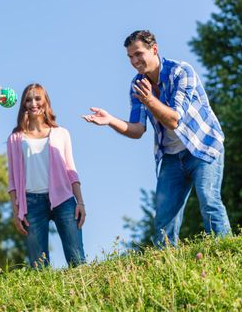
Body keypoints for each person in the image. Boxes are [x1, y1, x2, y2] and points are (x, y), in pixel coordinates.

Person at [83, 30, 231, 246]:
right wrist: (111, 120)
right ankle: (164, 264)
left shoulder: (181, 72)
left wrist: (150, 100)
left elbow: (173, 120)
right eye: (130, 57)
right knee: (164, 218)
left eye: (138, 54)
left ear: (154, 49)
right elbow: (137, 130)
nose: (134, 61)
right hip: (171, 157)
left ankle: (225, 251)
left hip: (202, 146)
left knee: (209, 201)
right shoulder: (137, 84)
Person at [7, 83, 86, 268]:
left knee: (77, 259)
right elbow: (11, 180)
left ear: (45, 102)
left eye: (37, 98)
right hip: (31, 203)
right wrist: (15, 210)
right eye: (28, 99)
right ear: (23, 105)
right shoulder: (15, 138)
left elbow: (71, 170)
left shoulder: (61, 133)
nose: (33, 103)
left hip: (64, 200)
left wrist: (80, 202)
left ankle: (82, 294)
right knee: (38, 265)